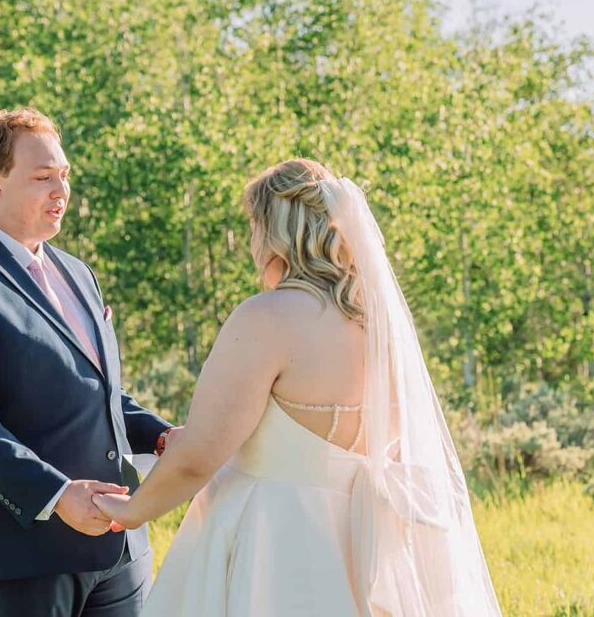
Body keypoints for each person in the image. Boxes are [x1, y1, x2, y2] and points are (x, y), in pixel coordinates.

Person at [94, 158, 502, 616]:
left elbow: (200, 458)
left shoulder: (267, 318)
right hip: (363, 547)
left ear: (274, 232)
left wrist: (130, 512)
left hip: (270, 543)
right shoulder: (381, 326)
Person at [0, 107, 176, 616]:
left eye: (64, 176)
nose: (61, 191)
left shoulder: (78, 272)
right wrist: (55, 494)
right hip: (18, 558)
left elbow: (98, 392)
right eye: (43, 177)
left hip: (119, 548)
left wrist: (161, 436)